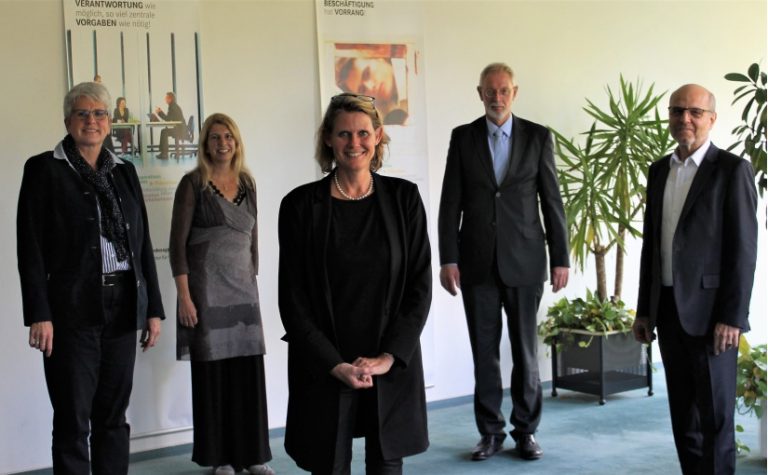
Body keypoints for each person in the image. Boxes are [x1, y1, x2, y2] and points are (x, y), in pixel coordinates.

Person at [278, 93, 432, 474]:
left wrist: (388, 358)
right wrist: (334, 364)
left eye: (363, 133)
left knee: (387, 462)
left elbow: (420, 287)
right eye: (344, 134)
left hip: (386, 358)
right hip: (325, 362)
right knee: (328, 463)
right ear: (328, 138)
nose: (354, 143)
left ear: (378, 136)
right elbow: (292, 299)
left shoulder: (404, 199)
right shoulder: (299, 206)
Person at [16, 81, 164, 475]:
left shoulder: (124, 171)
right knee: (72, 419)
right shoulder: (44, 169)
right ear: (67, 121)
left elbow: (141, 243)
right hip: (70, 310)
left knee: (113, 416)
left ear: (110, 121)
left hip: (122, 305)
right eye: (82, 113)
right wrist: (39, 314)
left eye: (99, 114)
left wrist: (153, 309)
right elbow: (29, 248)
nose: (92, 121)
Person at [437, 62, 569, 461]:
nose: (497, 98)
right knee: (485, 353)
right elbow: (450, 204)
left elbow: (552, 201)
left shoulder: (537, 137)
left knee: (526, 353)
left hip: (526, 261)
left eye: (504, 91)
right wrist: (448, 258)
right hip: (475, 263)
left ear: (515, 93)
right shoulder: (463, 138)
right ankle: (490, 432)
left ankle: (526, 431)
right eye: (489, 91)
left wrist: (561, 257)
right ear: (480, 93)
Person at [633, 84, 758, 475]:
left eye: (694, 112)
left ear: (711, 119)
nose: (684, 119)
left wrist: (732, 317)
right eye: (676, 111)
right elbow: (651, 246)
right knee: (683, 419)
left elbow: (744, 250)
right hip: (668, 313)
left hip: (713, 319)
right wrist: (644, 311)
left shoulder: (732, 170)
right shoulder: (658, 171)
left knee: (716, 422)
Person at [169, 113, 274, 475]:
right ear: (205, 144)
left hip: (243, 290)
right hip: (205, 292)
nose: (222, 143)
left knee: (247, 375)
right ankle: (222, 458)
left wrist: (253, 281)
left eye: (228, 136)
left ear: (237, 141)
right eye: (215, 137)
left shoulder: (248, 182)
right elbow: (177, 246)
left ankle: (252, 455)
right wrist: (185, 297)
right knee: (214, 378)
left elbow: (254, 239)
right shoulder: (193, 184)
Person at [154, 91, 186, 159]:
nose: (165, 99)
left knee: (164, 132)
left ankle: (164, 153)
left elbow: (168, 119)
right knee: (164, 131)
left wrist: (160, 113)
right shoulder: (173, 106)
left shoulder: (172, 107)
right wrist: (161, 112)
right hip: (179, 128)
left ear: (170, 99)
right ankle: (164, 153)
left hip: (180, 130)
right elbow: (169, 118)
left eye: (166, 98)